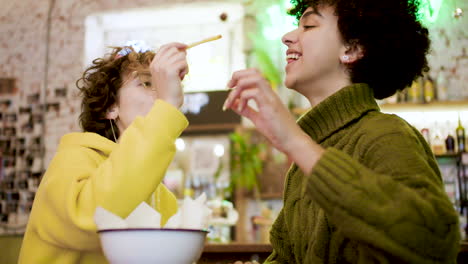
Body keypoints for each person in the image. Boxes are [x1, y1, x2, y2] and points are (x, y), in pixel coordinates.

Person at [223, 0, 460, 263]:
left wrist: (294, 141)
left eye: (309, 25)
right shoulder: (304, 164)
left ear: (352, 48)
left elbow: (434, 241)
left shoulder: (386, 135)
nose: (287, 37)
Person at [18, 40, 189, 263]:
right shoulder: (74, 159)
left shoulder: (164, 197)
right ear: (111, 107)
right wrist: (166, 104)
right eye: (147, 83)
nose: (161, 91)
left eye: (162, 83)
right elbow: (93, 222)